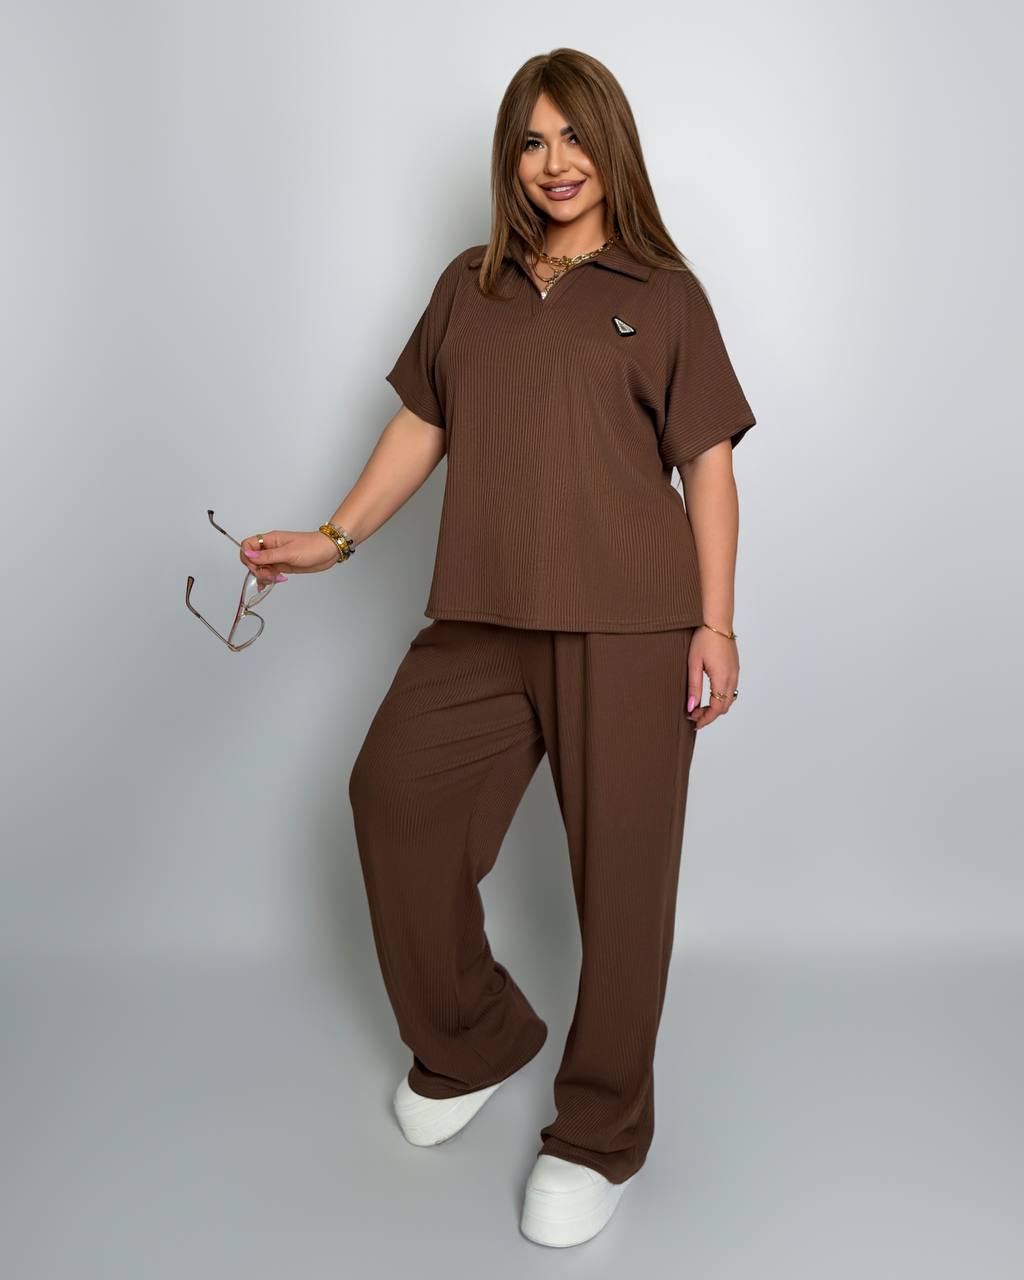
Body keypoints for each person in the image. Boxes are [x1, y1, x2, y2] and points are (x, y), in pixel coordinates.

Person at [239, 47, 758, 1248]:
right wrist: (333, 537)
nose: (553, 162)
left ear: (610, 147)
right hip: (479, 615)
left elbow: (709, 465)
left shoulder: (662, 293)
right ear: (508, 160)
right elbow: (421, 423)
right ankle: (473, 1037)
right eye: (531, 141)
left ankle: (599, 1132)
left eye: (573, 137)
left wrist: (715, 621)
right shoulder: (467, 285)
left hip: (631, 625)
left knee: (621, 888)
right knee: (392, 799)